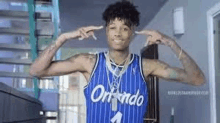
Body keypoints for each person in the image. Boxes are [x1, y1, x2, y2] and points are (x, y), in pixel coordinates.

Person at [29, 1, 205, 123]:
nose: (118, 33)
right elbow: (35, 71)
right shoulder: (88, 62)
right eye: (112, 27)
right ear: (106, 31)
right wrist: (63, 38)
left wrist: (169, 42)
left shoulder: (146, 66)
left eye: (125, 28)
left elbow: (197, 79)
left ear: (132, 32)